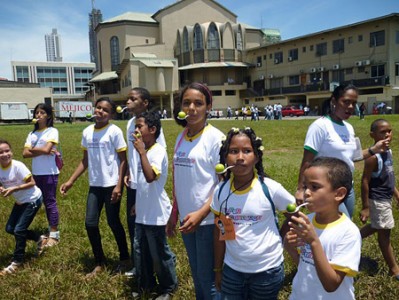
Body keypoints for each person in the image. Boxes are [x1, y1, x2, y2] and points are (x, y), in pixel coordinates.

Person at [211, 127, 295, 300]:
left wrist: (279, 236)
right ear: (225, 157)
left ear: (256, 157)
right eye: (234, 151)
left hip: (267, 271)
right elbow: (220, 232)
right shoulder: (220, 191)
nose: (240, 157)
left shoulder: (270, 189)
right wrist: (218, 269)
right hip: (232, 271)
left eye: (247, 151)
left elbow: (294, 216)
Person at [296, 84, 390, 218]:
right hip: (327, 188)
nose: (351, 107)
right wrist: (301, 189)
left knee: (345, 225)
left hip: (347, 187)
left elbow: (352, 157)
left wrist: (374, 149)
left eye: (354, 103)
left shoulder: (348, 128)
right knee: (338, 225)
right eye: (346, 102)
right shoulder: (320, 126)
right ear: (334, 101)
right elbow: (307, 161)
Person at [60, 97, 129, 278]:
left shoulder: (114, 131)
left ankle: (124, 259)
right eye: (98, 108)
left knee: (113, 222)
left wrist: (118, 185)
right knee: (90, 223)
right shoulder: (87, 131)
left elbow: (123, 160)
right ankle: (100, 262)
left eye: (105, 110)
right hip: (95, 186)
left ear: (111, 114)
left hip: (111, 185)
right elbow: (85, 160)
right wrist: (70, 181)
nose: (100, 112)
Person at [167, 82, 225, 300]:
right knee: (198, 277)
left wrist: (201, 214)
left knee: (210, 281)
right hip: (187, 220)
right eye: (186, 102)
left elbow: (224, 184)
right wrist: (175, 213)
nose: (191, 108)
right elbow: (179, 180)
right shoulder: (181, 137)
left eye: (198, 103)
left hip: (208, 221)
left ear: (208, 107)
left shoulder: (216, 139)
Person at [286, 157, 362, 300]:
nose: (307, 193)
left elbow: (331, 284)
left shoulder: (348, 233)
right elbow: (305, 265)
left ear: (339, 194)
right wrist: (289, 246)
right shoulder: (307, 221)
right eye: (305, 186)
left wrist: (314, 242)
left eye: (314, 187)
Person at [131, 111, 178, 299]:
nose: (136, 130)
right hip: (143, 211)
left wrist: (142, 152)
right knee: (140, 251)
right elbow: (141, 185)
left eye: (139, 126)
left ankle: (168, 287)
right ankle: (146, 284)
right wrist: (136, 204)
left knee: (159, 253)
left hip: (156, 214)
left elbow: (150, 177)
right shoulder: (143, 152)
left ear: (152, 129)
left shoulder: (156, 151)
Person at [124, 87, 167, 277]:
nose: (128, 102)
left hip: (147, 183)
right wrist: (128, 172)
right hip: (135, 183)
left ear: (145, 103)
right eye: (128, 98)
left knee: (146, 230)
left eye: (133, 99)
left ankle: (149, 266)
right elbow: (130, 153)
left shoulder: (152, 126)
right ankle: (139, 265)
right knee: (134, 226)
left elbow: (157, 155)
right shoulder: (130, 124)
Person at [0, 139, 47, 276]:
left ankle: (17, 261)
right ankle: (40, 238)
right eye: (1, 152)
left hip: (33, 199)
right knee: (10, 229)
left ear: (12, 152)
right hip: (21, 201)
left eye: (7, 151)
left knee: (19, 229)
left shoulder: (18, 166)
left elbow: (32, 182)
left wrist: (15, 188)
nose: (5, 154)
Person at [359, 119, 399, 279]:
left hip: (386, 198)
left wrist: (396, 194)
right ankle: (394, 269)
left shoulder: (388, 152)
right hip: (378, 199)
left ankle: (353, 236)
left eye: (389, 131)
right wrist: (366, 206)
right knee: (384, 233)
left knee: (377, 225)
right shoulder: (373, 157)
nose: (387, 134)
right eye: (383, 132)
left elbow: (388, 177)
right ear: (372, 135)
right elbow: (365, 181)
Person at [23, 103, 61, 247]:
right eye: (36, 113)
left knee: (50, 202)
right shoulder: (31, 134)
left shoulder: (52, 131)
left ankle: (54, 234)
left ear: (48, 116)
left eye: (42, 113)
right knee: (34, 202)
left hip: (49, 173)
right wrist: (41, 150)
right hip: (36, 173)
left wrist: (33, 149)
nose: (38, 115)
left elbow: (47, 150)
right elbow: (25, 154)